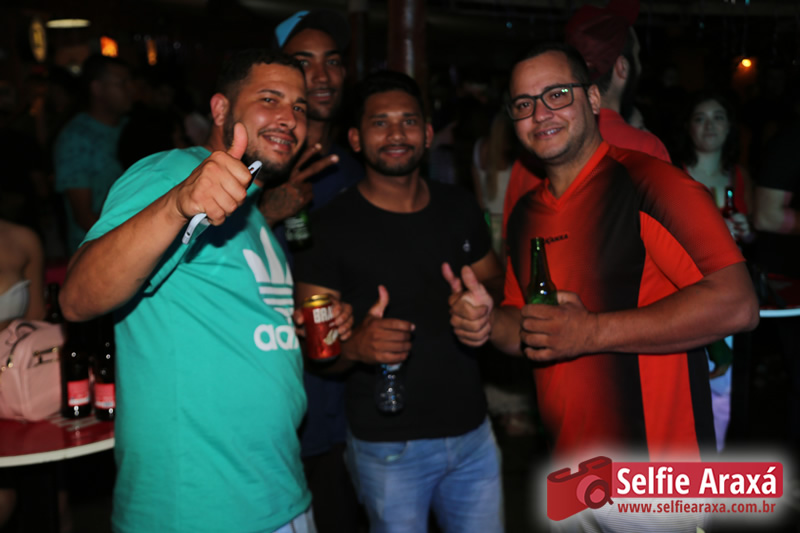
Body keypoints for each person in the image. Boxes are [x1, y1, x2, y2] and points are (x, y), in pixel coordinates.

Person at [59, 49, 351, 533]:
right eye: (270, 99)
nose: (289, 118)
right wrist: (178, 202)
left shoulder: (252, 213)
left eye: (299, 106)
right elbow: (76, 297)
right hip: (198, 508)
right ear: (220, 109)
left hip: (281, 493)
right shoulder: (172, 173)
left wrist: (303, 328)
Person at [449, 42, 759, 461]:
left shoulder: (654, 185)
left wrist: (591, 332)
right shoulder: (526, 213)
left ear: (593, 98)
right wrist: (487, 322)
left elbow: (738, 305)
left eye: (557, 95)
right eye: (524, 104)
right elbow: (528, 325)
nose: (540, 114)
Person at [293, 71, 505, 533]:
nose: (395, 134)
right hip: (387, 447)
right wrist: (356, 347)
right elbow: (315, 348)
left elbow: (495, 279)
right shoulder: (328, 228)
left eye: (408, 121)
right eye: (380, 123)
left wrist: (483, 302)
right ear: (355, 139)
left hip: (473, 435)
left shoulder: (460, 207)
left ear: (427, 134)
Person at [271, 10, 366, 532]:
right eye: (304, 62)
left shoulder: (359, 165)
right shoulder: (256, 164)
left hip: (351, 391)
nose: (322, 76)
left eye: (332, 61)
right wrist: (267, 210)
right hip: (277, 389)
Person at [501, 0, 671, 256]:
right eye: (637, 56)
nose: (540, 114)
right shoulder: (646, 148)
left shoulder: (528, 157)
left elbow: (512, 252)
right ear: (622, 68)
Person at [53, 54, 133, 253]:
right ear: (97, 88)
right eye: (122, 83)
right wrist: (133, 242)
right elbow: (83, 215)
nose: (130, 89)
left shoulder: (132, 128)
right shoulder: (76, 137)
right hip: (98, 251)